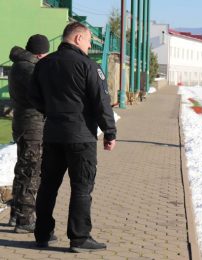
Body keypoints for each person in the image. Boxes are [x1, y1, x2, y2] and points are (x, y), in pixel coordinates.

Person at [29, 22, 117, 252]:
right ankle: (79, 238)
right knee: (81, 187)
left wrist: (52, 112)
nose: (89, 46)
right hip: (81, 136)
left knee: (48, 185)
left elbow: (35, 98)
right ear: (78, 38)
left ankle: (42, 233)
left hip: (53, 134)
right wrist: (110, 131)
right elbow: (101, 102)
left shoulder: (44, 64)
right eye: (88, 41)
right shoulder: (88, 65)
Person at [8, 34, 50, 233]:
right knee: (31, 171)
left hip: (22, 124)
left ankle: (15, 214)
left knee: (22, 168)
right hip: (32, 126)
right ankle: (25, 220)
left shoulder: (19, 65)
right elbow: (44, 93)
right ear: (40, 53)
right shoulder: (30, 69)